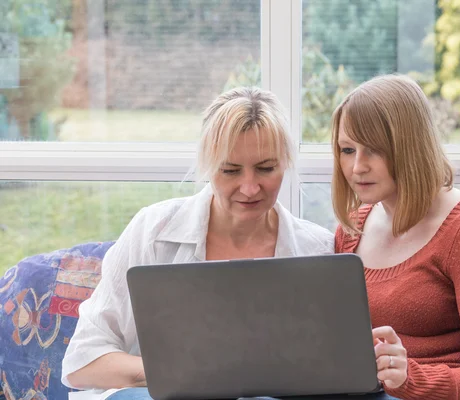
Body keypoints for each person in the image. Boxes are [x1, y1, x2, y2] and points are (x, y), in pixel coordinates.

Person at [61, 87, 335, 399]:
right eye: (230, 170)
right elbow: (83, 362)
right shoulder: (153, 230)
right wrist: (181, 374)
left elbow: (335, 366)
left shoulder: (319, 249)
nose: (249, 187)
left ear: (285, 163)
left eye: (266, 168)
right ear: (207, 165)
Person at [332, 75, 460, 400]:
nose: (356, 167)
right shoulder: (352, 228)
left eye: (374, 150)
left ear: (410, 147)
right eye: (347, 150)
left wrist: (410, 378)